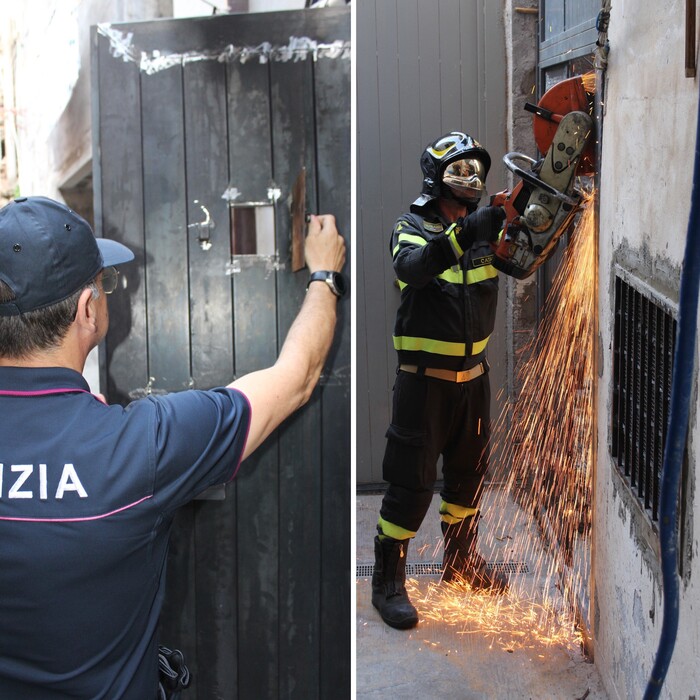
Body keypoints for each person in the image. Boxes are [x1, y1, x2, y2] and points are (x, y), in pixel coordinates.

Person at [0, 196, 345, 698]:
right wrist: (324, 275)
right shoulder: (143, 443)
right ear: (87, 309)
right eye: (105, 283)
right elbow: (297, 377)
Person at [371, 131, 508, 630]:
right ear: (436, 177)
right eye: (458, 170)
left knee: (469, 477)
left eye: (475, 171)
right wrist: (466, 232)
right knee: (412, 485)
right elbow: (415, 267)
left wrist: (530, 219)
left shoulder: (483, 236)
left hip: (474, 382)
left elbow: (520, 259)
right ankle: (387, 583)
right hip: (423, 385)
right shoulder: (410, 229)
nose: (469, 179)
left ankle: (462, 565)